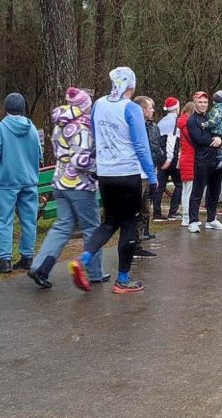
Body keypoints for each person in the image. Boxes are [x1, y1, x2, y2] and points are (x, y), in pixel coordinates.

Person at [68, 67, 155, 294]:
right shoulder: (132, 108)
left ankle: (83, 259)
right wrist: (152, 177)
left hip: (105, 174)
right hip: (128, 173)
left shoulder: (98, 104)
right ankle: (123, 280)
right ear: (130, 85)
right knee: (128, 225)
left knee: (109, 222)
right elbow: (141, 146)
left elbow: (95, 136)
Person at [27, 87, 108, 288]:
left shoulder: (60, 125)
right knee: (92, 227)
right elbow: (80, 160)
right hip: (79, 185)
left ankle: (40, 267)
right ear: (85, 107)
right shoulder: (82, 127)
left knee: (63, 226)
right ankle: (95, 272)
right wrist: (100, 168)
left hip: (60, 182)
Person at [0, 93, 41, 274]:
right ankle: (27, 257)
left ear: (6, 108)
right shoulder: (32, 128)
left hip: (7, 181)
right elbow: (39, 154)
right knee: (29, 221)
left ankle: (5, 260)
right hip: (29, 180)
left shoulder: (0, 128)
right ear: (23, 108)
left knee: (4, 220)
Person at [187, 91, 222, 232]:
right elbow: (199, 139)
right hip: (202, 160)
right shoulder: (192, 120)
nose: (203, 105)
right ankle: (193, 221)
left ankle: (211, 219)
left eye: (205, 102)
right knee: (197, 191)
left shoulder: (211, 116)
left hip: (216, 160)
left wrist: (221, 139)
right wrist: (215, 141)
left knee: (215, 191)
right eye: (200, 102)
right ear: (195, 103)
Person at [131, 96, 158, 259]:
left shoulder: (152, 126)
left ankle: (138, 243)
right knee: (133, 212)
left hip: (149, 173)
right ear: (141, 110)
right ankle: (130, 245)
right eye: (150, 108)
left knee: (145, 210)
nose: (153, 110)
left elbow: (154, 147)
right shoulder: (134, 126)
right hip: (136, 174)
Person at [153, 97, 183, 221]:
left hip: (161, 157)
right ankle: (173, 212)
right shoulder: (176, 122)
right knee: (179, 184)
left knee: (160, 186)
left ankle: (156, 213)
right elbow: (171, 141)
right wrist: (170, 158)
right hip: (172, 157)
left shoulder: (161, 121)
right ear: (176, 108)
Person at [203, 90, 222, 169]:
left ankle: (221, 159)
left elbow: (215, 120)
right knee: (221, 144)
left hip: (218, 129)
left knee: (216, 144)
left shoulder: (218, 108)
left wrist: (206, 124)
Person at [177, 101, 196, 226]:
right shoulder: (188, 125)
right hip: (190, 159)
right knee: (189, 190)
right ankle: (187, 216)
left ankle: (187, 216)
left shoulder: (182, 123)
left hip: (185, 158)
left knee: (186, 189)